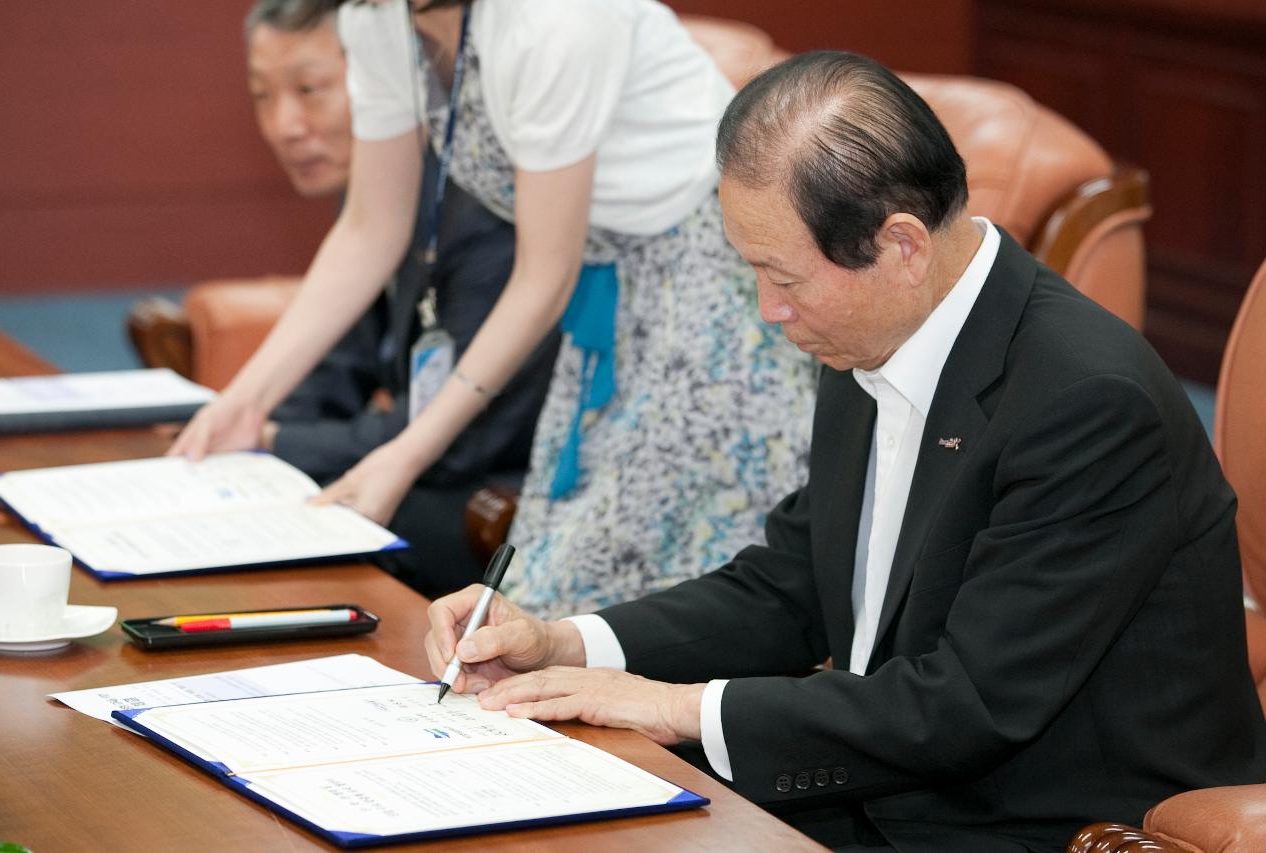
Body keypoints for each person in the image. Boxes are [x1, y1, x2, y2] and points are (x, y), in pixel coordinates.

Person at [423, 51, 1266, 853]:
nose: (769, 310)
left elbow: (968, 703)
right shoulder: (872, 331)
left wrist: (674, 706)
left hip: (1032, 823)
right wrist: (567, 644)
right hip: (885, 792)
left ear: (900, 247)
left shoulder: (1087, 403)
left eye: (783, 278)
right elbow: (791, 585)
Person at [174, 0, 816, 616]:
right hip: (605, 290)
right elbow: (370, 229)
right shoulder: (373, 18)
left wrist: (404, 455)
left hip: (708, 284)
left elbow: (543, 276)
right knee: (556, 583)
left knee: (635, 577)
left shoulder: (553, 19)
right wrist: (241, 403)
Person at [239, 0, 558, 597]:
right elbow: (335, 365)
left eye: (310, 89)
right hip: (426, 461)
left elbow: (466, 435)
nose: (285, 125)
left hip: (499, 483)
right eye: (261, 94)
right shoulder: (370, 197)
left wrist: (277, 441)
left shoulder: (486, 197)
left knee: (309, 540)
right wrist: (259, 427)